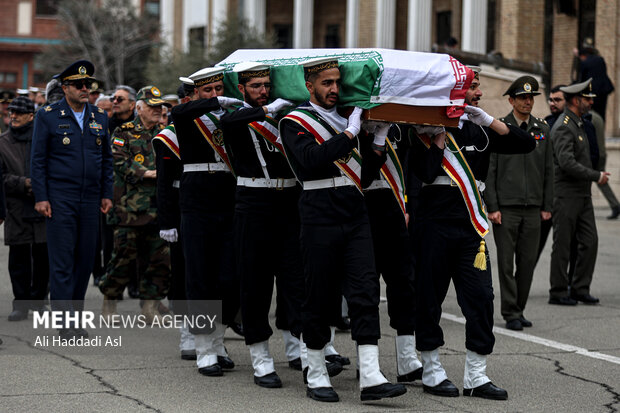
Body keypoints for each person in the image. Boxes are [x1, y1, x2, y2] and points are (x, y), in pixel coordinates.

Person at [280, 56, 407, 403]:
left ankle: (370, 375)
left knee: (365, 293)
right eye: (326, 83)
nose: (334, 89)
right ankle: (317, 371)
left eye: (337, 82)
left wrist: (377, 142)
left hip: (355, 213)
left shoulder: (350, 119)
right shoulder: (294, 121)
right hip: (318, 214)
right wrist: (351, 132)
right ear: (310, 85)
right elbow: (311, 160)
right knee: (319, 294)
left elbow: (363, 176)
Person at [409, 65, 534, 400]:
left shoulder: (480, 129)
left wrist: (489, 120)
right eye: (472, 87)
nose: (478, 92)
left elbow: (526, 144)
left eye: (477, 86)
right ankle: (432, 369)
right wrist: (437, 139)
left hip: (470, 228)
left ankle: (476, 375)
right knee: (429, 298)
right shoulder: (421, 127)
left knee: (480, 298)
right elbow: (422, 172)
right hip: (433, 223)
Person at [220, 61, 309, 389]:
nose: (263, 92)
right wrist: (267, 109)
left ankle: (300, 347)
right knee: (255, 282)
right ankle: (260, 356)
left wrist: (278, 109)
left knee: (295, 279)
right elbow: (230, 121)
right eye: (255, 86)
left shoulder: (283, 115)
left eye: (266, 86)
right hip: (253, 203)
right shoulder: (237, 116)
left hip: (287, 203)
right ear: (242, 89)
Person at [30, 59, 113, 339]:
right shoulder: (48, 115)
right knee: (63, 259)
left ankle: (76, 317)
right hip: (60, 197)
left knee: (85, 259)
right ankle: (66, 322)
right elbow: (38, 160)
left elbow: (106, 160)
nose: (84, 89)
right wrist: (41, 197)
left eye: (87, 84)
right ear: (65, 88)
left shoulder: (99, 116)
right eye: (78, 85)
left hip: (90, 198)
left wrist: (106, 193)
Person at [170, 67, 241, 377]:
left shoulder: (228, 115)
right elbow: (178, 111)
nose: (214, 94)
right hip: (197, 202)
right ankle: (203, 350)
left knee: (229, 277)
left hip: (228, 198)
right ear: (196, 93)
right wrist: (216, 103)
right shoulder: (187, 116)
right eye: (207, 90)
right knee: (200, 275)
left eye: (217, 89)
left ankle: (217, 340)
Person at [484, 76, 553, 330]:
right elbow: (490, 170)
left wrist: (548, 205)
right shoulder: (500, 128)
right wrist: (492, 206)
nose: (527, 101)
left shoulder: (542, 129)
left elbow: (549, 169)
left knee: (527, 262)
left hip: (534, 207)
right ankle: (510, 312)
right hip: (506, 208)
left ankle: (519, 308)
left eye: (531, 97)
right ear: (511, 100)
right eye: (522, 97)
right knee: (506, 263)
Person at [98, 86, 172, 322]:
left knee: (160, 259)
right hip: (129, 209)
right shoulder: (124, 132)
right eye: (151, 106)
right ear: (139, 108)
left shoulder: (166, 133)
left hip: (159, 208)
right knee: (123, 257)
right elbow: (118, 162)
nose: (157, 110)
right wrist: (147, 174)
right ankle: (110, 302)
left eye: (160, 106)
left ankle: (149, 306)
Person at [361, 123, 423, 381]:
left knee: (403, 283)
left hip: (393, 208)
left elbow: (411, 170)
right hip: (360, 206)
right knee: (364, 288)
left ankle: (407, 357)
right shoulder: (350, 123)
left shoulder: (399, 126)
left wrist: (408, 205)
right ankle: (366, 360)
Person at [549, 79, 609, 306]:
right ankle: (558, 291)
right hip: (566, 194)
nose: (591, 102)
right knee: (563, 244)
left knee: (590, 241)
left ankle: (580, 288)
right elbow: (566, 163)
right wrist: (596, 175)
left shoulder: (579, 123)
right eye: (587, 99)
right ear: (576, 100)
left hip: (582, 194)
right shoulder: (564, 125)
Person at [152, 78, 194, 360]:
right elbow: (164, 183)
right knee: (183, 271)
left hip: (214, 207)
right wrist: (166, 221)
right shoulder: (171, 134)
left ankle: (212, 332)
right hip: (180, 207)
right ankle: (189, 333)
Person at [0, 96, 49, 321]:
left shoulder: (43, 139)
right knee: (19, 258)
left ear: (31, 116)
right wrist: (23, 183)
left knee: (43, 257)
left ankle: (39, 301)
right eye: (11, 112)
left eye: (19, 113)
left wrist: (39, 184)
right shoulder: (2, 142)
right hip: (16, 206)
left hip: (43, 205)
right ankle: (20, 304)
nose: (14, 116)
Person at [587, 109, 620, 219]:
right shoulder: (596, 116)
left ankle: (615, 205)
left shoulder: (590, 117)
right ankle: (615, 205)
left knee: (598, 180)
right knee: (601, 180)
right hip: (600, 154)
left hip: (595, 155)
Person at [575, 47, 614, 120]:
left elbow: (582, 79)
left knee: (590, 112)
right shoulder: (600, 59)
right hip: (603, 90)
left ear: (583, 55)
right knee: (601, 112)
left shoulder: (584, 62)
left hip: (591, 91)